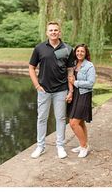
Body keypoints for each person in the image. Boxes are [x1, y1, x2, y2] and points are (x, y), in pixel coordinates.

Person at [28, 21, 75, 159]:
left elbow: (70, 70)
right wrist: (37, 85)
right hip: (44, 90)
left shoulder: (67, 49)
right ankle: (40, 146)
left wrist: (70, 90)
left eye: (56, 30)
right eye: (51, 30)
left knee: (60, 118)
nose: (53, 32)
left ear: (59, 32)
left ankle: (60, 146)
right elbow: (31, 67)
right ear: (47, 32)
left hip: (61, 89)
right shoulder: (39, 48)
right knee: (41, 118)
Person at [68, 43, 96, 158]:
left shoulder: (89, 66)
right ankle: (83, 144)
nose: (79, 53)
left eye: (82, 51)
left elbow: (90, 83)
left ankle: (84, 147)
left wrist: (75, 83)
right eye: (78, 51)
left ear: (86, 53)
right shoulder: (74, 64)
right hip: (75, 95)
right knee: (80, 122)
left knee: (73, 123)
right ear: (75, 52)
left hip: (84, 95)